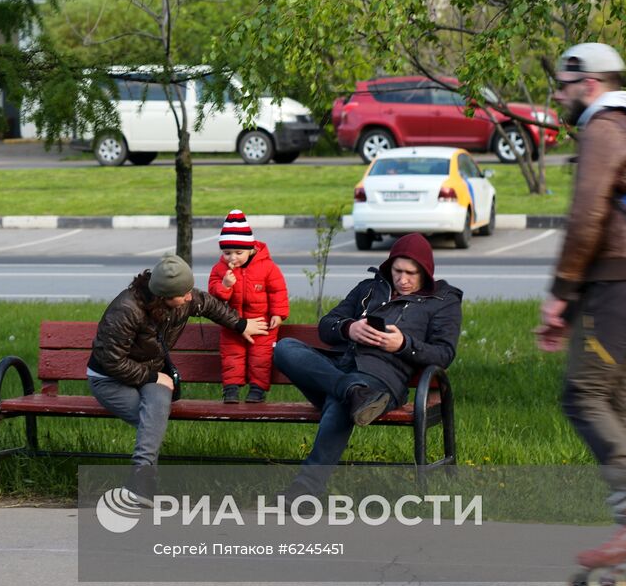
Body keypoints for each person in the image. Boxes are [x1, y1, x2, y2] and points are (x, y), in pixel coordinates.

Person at [534, 41, 626, 569]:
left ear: (589, 84)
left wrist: (559, 297)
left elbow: (587, 218)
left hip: (618, 288)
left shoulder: (603, 126)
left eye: (565, 85)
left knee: (584, 397)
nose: (559, 94)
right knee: (613, 405)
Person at [273, 233, 462, 496]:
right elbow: (327, 324)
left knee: (342, 402)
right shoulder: (369, 288)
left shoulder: (443, 301)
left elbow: (444, 354)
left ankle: (304, 491)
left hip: (382, 379)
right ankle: (352, 390)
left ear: (426, 273)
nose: (403, 279)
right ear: (389, 266)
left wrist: (403, 344)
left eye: (411, 273)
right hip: (339, 367)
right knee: (285, 348)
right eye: (398, 271)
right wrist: (349, 329)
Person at [88, 254, 269, 501]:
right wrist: (151, 376)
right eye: (182, 294)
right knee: (152, 419)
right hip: (108, 378)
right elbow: (111, 361)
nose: (189, 297)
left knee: (156, 409)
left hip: (153, 375)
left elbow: (209, 304)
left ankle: (141, 483)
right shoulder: (126, 310)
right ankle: (142, 482)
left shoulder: (182, 298)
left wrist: (239, 324)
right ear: (163, 296)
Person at [207, 209, 288, 403]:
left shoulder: (267, 267)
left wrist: (278, 313)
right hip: (232, 324)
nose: (232, 258)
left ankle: (257, 390)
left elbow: (278, 290)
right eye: (227, 253)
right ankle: (231, 390)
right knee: (231, 357)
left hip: (261, 323)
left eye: (238, 252)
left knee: (261, 357)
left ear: (251, 249)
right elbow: (213, 296)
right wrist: (225, 286)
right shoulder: (219, 269)